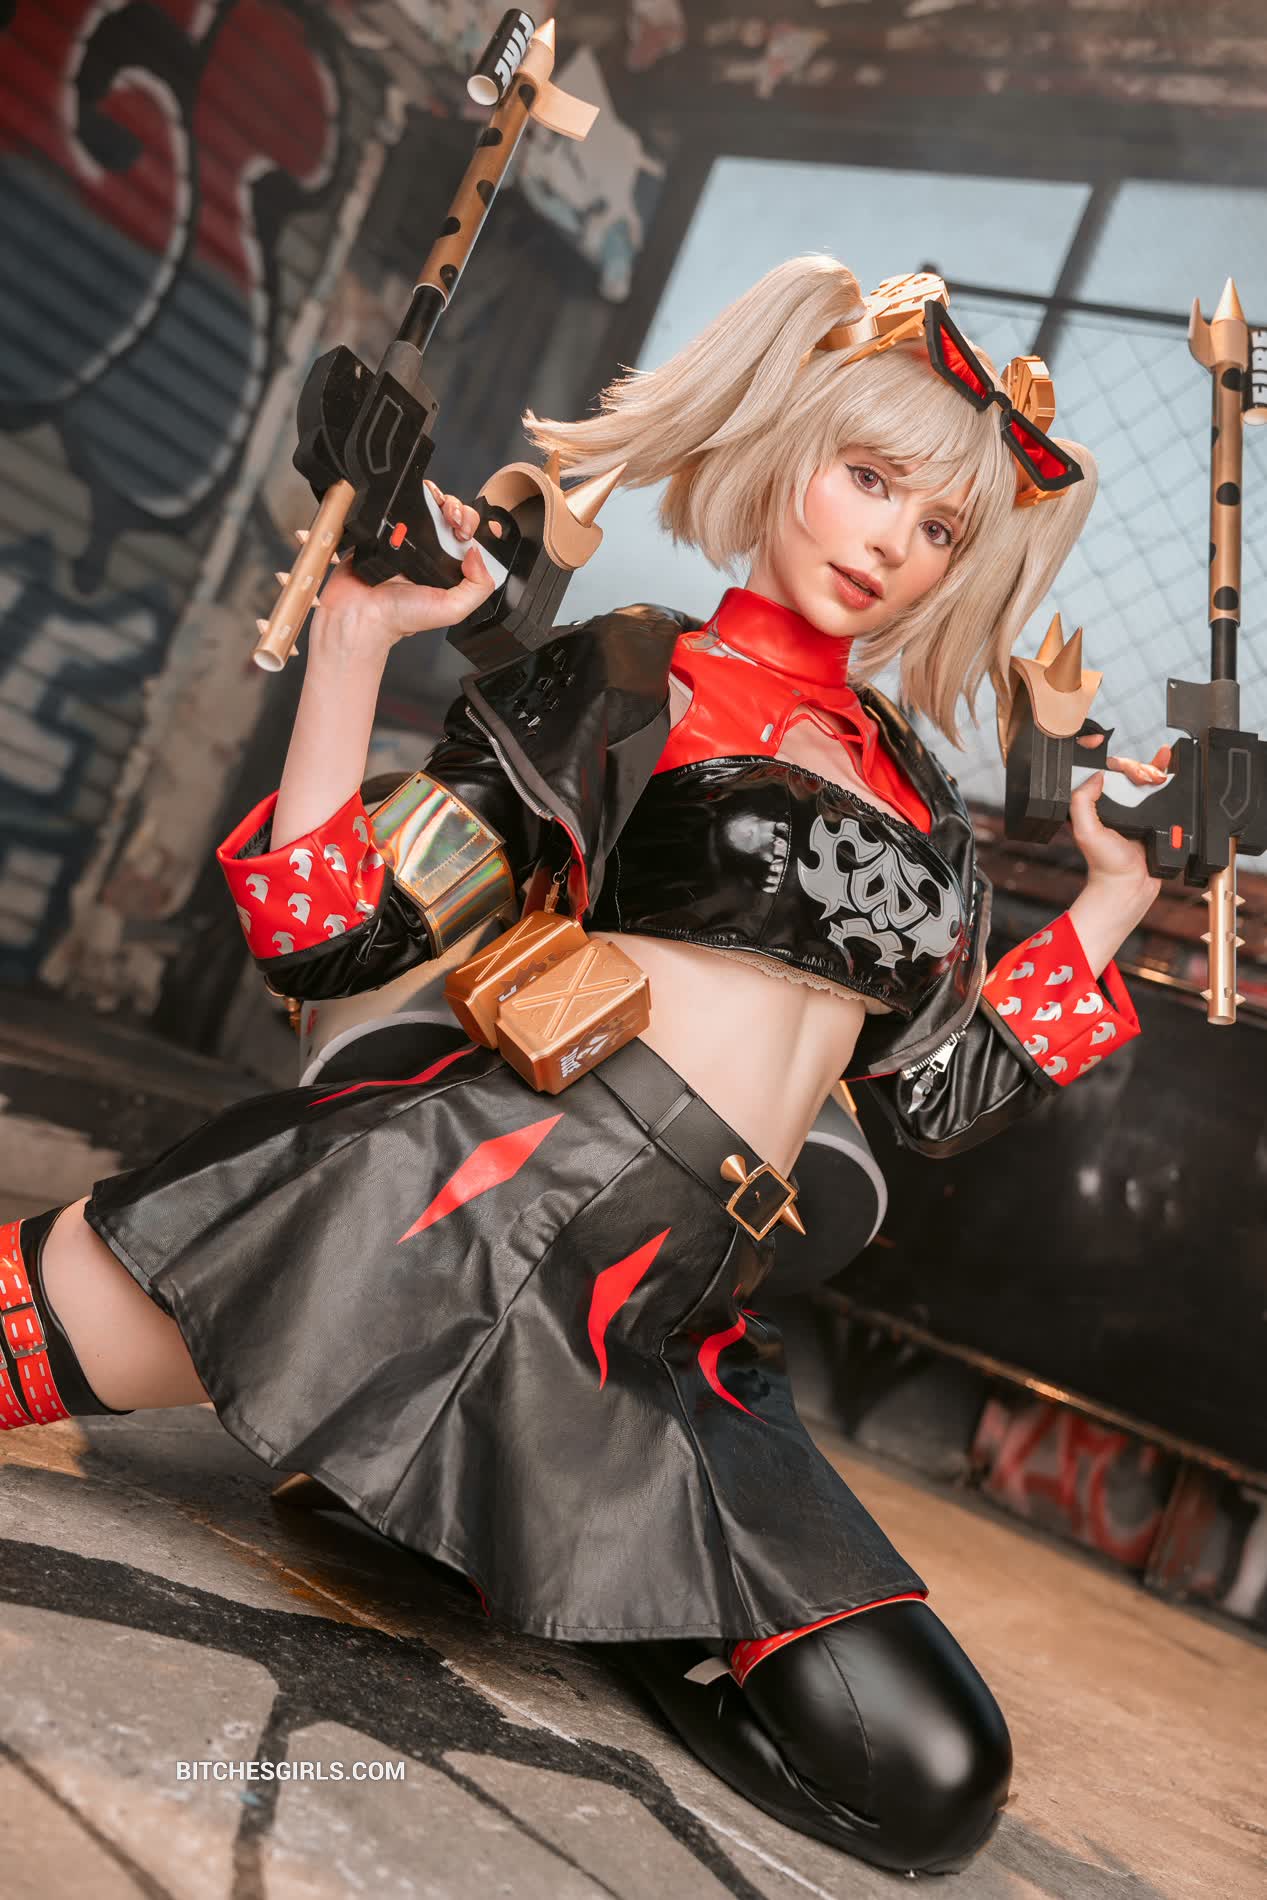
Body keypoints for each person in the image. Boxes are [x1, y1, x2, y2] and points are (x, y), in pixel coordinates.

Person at [4, 259, 1172, 1876]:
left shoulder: (923, 803)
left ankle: (507, 1528)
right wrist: (354, 637)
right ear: (788, 451)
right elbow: (329, 939)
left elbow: (929, 1097)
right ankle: (440, 1479)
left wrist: (1115, 900)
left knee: (929, 1775)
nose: (889, 543)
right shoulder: (630, 677)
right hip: (449, 1212)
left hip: (667, 1324)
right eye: (868, 478)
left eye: (938, 527)